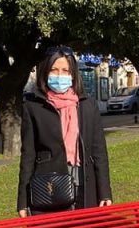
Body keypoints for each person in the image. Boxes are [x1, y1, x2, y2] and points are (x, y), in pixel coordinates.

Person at [17, 45, 112, 217]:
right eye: (54, 70)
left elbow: (99, 152)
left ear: (73, 74)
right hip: (49, 187)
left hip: (85, 184)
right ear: (45, 72)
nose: (59, 76)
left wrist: (105, 192)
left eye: (65, 70)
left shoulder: (87, 105)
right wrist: (23, 201)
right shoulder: (33, 107)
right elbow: (28, 156)